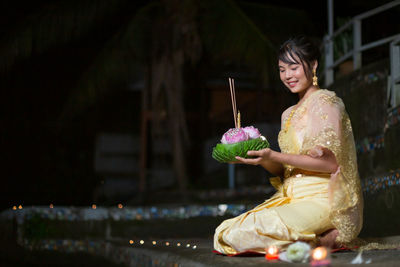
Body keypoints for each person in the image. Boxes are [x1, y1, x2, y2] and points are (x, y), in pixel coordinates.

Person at [214, 36, 363, 255]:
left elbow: (330, 163)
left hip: (323, 199)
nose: (287, 76)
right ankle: (318, 240)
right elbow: (286, 170)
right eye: (282, 69)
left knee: (245, 233)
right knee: (224, 232)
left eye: (293, 67)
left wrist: (274, 155)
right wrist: (264, 159)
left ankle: (329, 235)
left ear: (313, 65)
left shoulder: (326, 101)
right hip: (292, 197)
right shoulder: (288, 114)